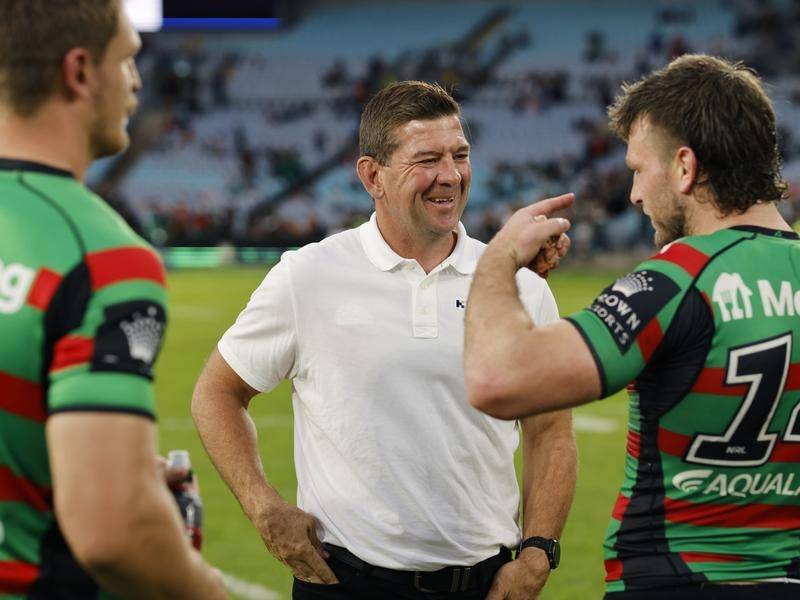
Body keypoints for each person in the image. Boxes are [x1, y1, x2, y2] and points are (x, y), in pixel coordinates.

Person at [192, 80, 577, 600]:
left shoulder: (518, 282)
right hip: (347, 582)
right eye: (427, 159)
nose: (450, 175)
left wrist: (538, 551)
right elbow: (216, 392)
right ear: (372, 175)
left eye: (460, 155)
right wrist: (263, 506)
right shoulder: (309, 276)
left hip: (486, 586)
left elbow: (550, 432)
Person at [464, 54, 800, 599]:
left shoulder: (676, 281)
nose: (634, 195)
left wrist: (498, 260)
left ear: (686, 168)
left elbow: (496, 380)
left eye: (639, 169)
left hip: (675, 581)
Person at [0, 1, 228, 598]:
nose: (136, 81)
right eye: (127, 59)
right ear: (79, 71)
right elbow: (116, 535)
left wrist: (89, 460)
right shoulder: (104, 256)